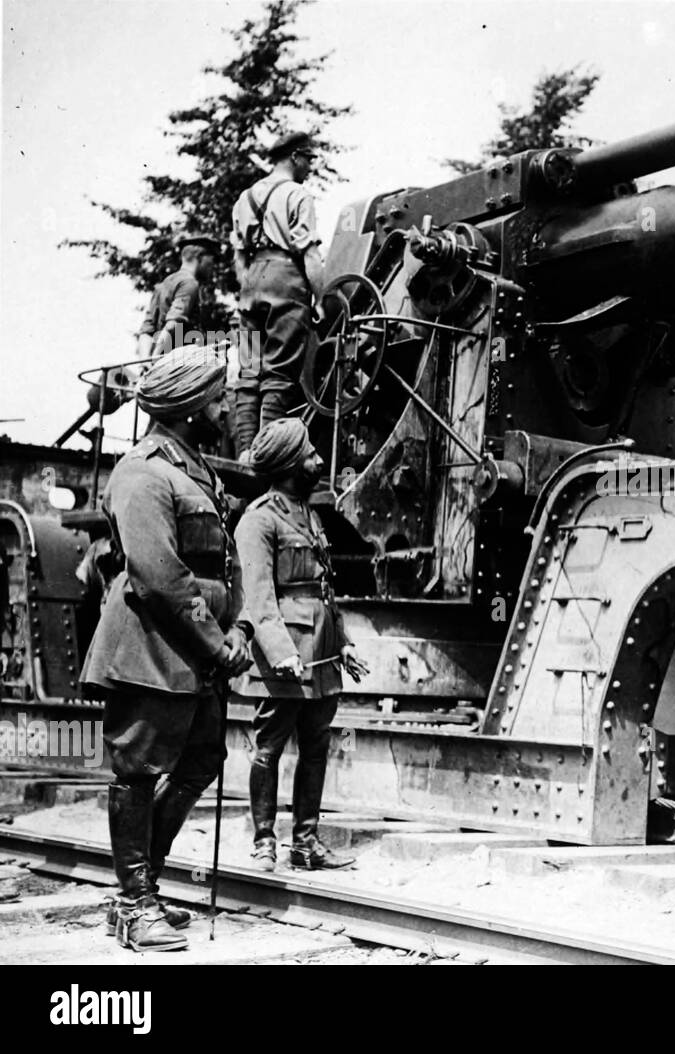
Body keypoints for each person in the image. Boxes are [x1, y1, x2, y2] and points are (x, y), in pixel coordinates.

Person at [80, 347, 253, 952]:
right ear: (188, 406)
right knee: (137, 769)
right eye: (217, 395)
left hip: (194, 654)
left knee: (202, 759)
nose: (225, 404)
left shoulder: (192, 468)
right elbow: (159, 577)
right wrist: (216, 640)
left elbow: (218, 565)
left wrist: (235, 634)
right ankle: (133, 901)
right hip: (151, 650)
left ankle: (140, 888)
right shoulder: (143, 471)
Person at [234, 417, 367, 871]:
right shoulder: (259, 520)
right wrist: (280, 651)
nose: (319, 460)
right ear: (291, 463)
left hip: (322, 653)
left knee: (316, 747)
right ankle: (264, 841)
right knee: (268, 746)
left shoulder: (309, 515)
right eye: (310, 454)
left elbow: (324, 590)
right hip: (285, 655)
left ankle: (306, 843)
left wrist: (343, 643)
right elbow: (257, 594)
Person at [229, 132, 325, 457]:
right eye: (309, 159)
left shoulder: (245, 198)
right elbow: (310, 255)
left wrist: (250, 287)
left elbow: (239, 257)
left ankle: (244, 452)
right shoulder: (298, 195)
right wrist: (321, 299)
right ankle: (265, 453)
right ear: (295, 157)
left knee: (249, 369)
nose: (311, 167)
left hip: (252, 280)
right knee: (279, 371)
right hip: (286, 276)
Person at [137, 234, 221, 359]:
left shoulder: (165, 283)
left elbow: (147, 329)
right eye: (212, 261)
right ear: (200, 257)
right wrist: (155, 358)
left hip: (163, 364)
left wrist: (145, 362)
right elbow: (173, 323)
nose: (213, 267)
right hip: (179, 363)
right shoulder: (190, 283)